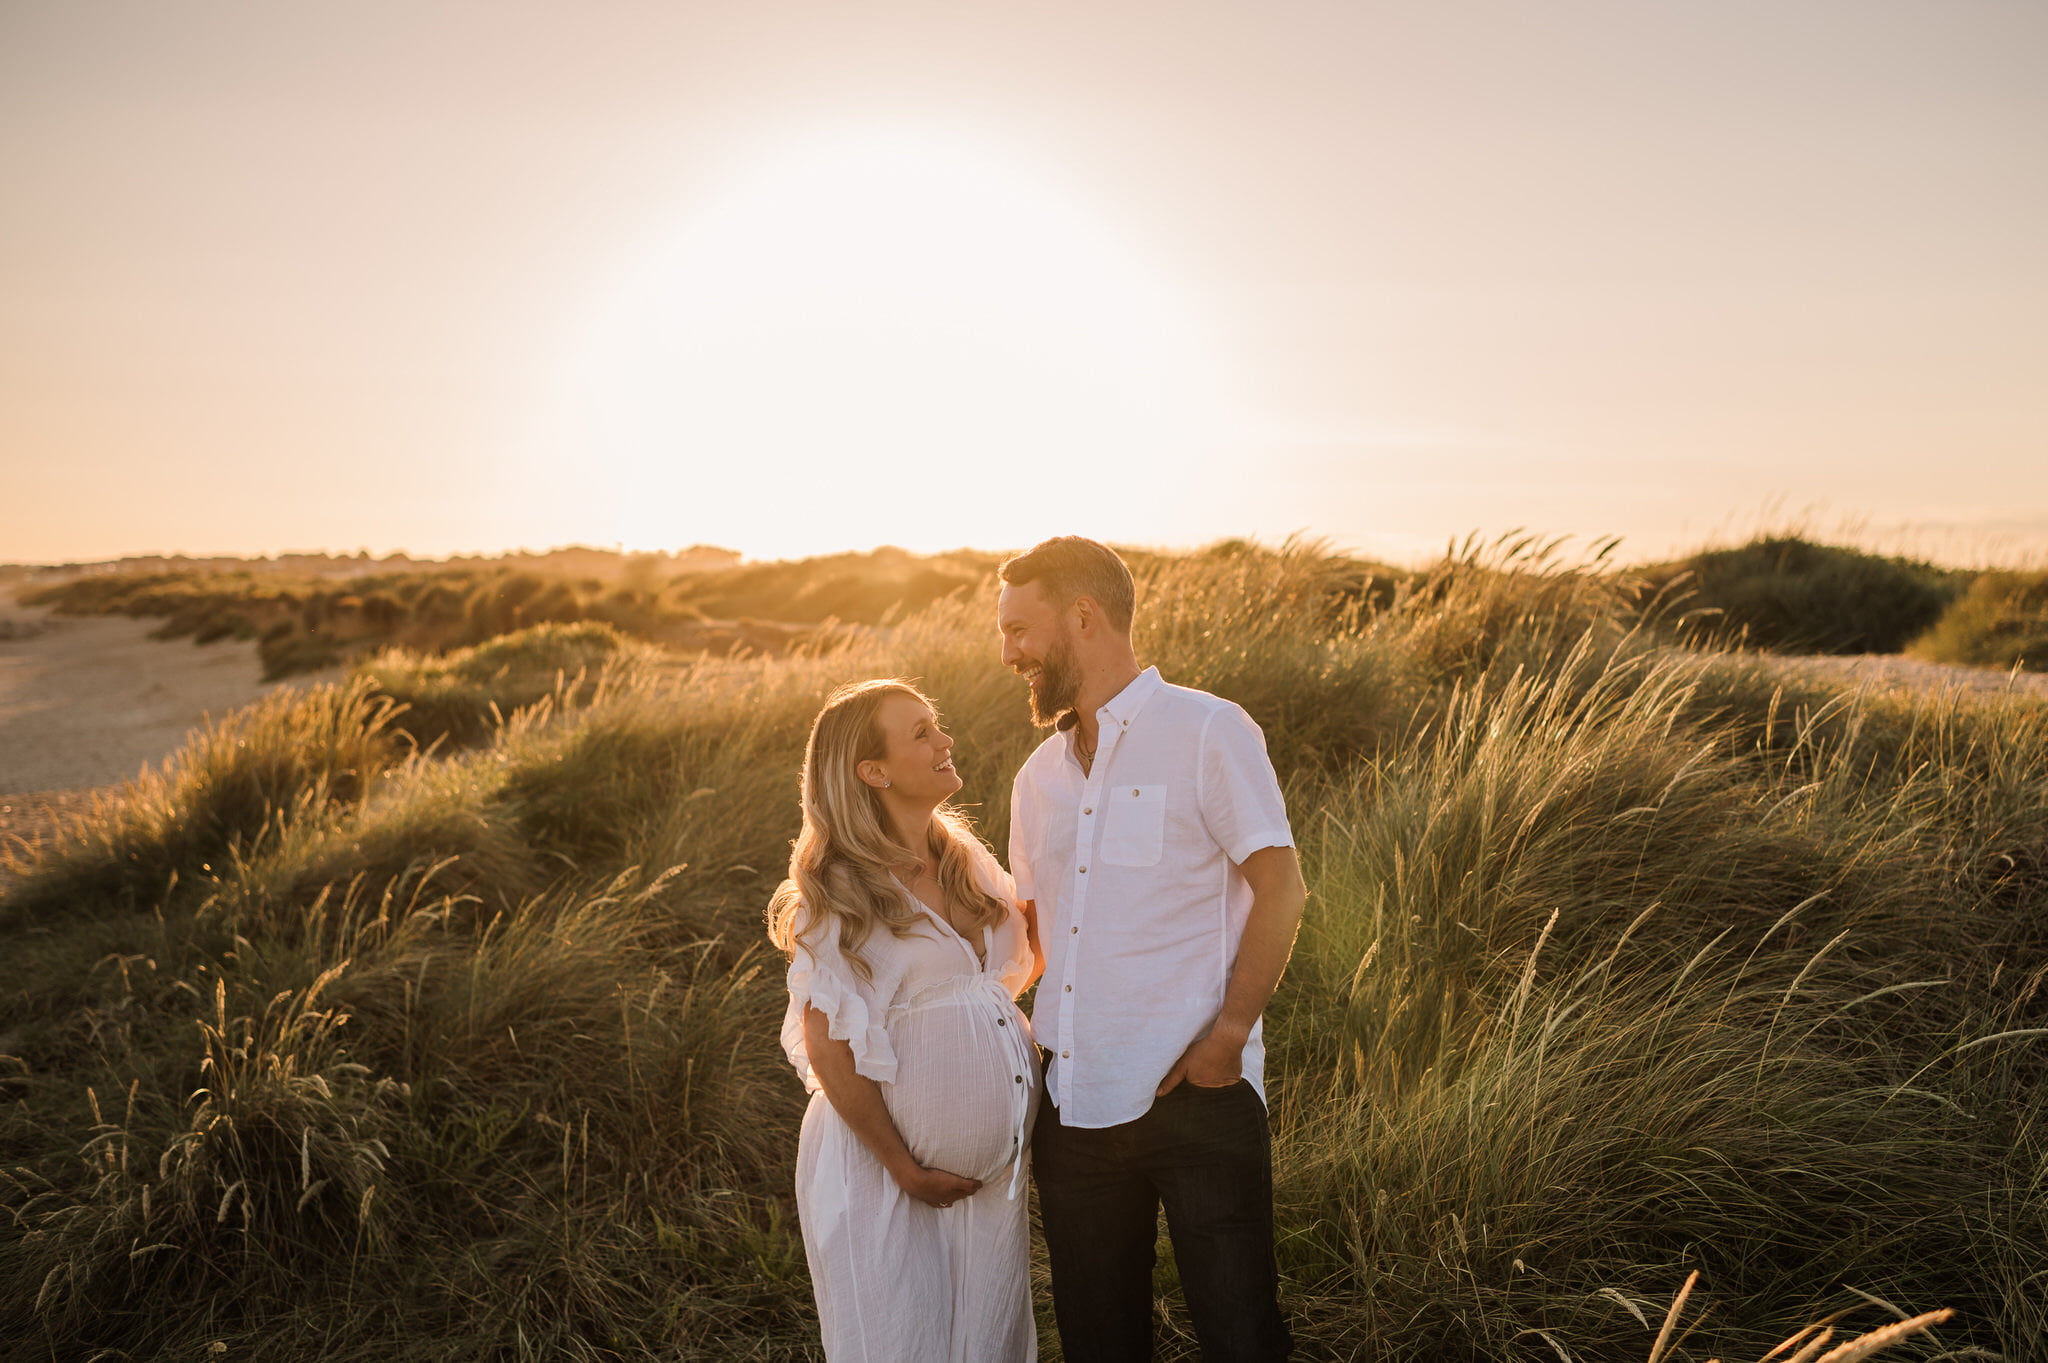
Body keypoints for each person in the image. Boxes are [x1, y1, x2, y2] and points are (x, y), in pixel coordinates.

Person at [999, 536, 1308, 1362]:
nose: (1009, 654)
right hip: (1074, 1108)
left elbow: (1283, 889)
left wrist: (1228, 1039)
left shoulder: (1208, 729)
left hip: (1198, 1095)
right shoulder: (1038, 778)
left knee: (1242, 1336)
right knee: (1099, 1343)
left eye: (1020, 630)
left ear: (1084, 616)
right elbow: (1030, 940)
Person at [767, 678, 1044, 1363]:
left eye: (937, 724)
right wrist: (903, 1165)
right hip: (884, 1172)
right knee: (900, 1342)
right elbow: (827, 1045)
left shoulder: (964, 862)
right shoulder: (834, 890)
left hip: (988, 1184)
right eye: (921, 732)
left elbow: (1013, 969)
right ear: (873, 770)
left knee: (987, 1344)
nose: (945, 740)